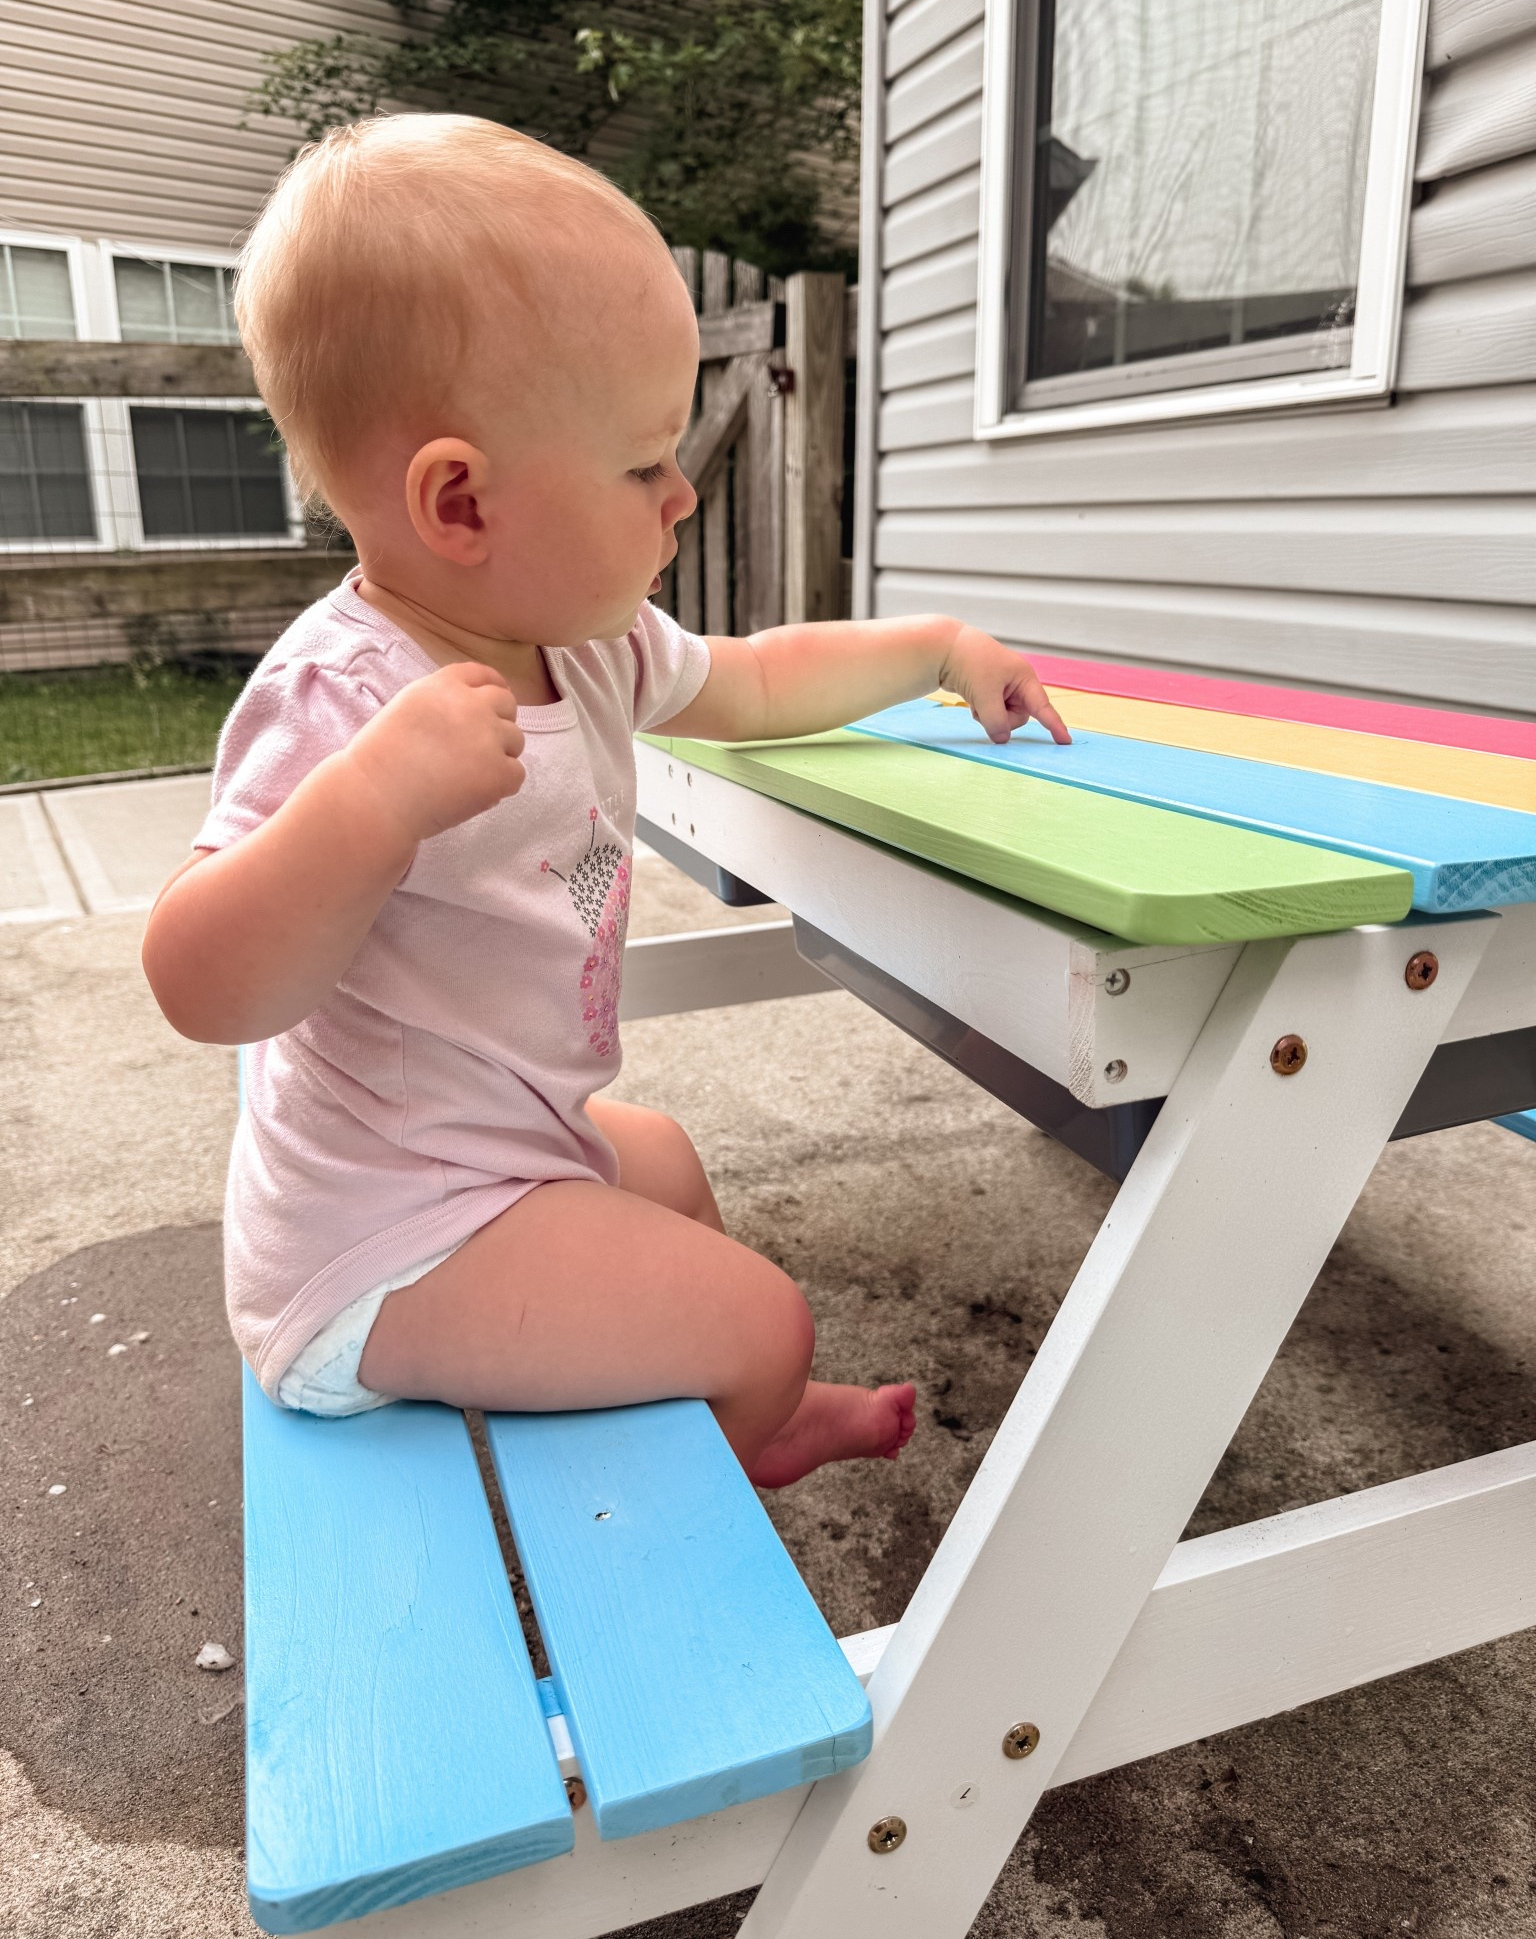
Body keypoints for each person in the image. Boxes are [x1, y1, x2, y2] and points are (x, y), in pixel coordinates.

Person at [141, 114, 1069, 1489]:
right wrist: (371, 804)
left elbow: (755, 680)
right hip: (380, 1247)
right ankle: (752, 1427)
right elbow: (197, 981)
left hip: (491, 1158)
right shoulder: (346, 703)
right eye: (643, 462)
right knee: (762, 1315)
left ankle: (724, 1406)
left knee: (673, 1169)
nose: (681, 494)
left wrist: (932, 649)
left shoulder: (581, 641)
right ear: (460, 502)